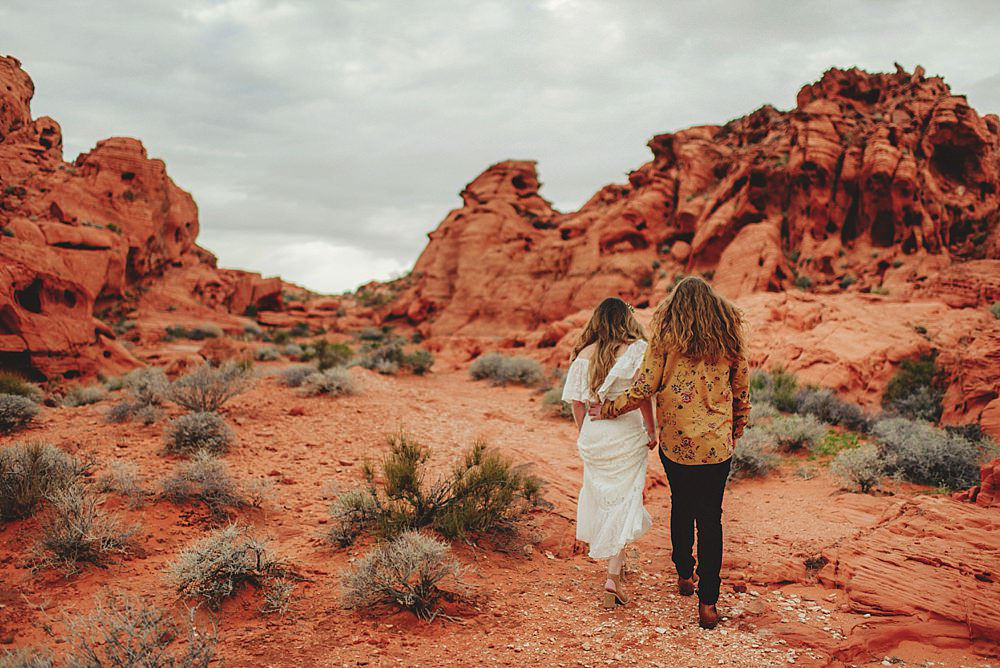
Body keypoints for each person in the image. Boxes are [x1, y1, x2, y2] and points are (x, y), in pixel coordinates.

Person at [588, 277, 750, 629]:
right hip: (716, 446)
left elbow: (644, 385)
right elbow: (742, 389)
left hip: (677, 445)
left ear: (674, 307)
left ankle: (684, 575)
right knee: (711, 518)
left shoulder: (665, 338)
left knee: (682, 505)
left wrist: (610, 408)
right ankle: (708, 603)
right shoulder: (729, 337)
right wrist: (735, 430)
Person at [561, 297, 657, 610]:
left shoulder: (583, 355)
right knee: (627, 497)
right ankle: (613, 576)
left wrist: (584, 433)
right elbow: (642, 395)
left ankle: (616, 565)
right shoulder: (637, 349)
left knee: (603, 496)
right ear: (625, 319)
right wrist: (651, 429)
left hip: (594, 433)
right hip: (626, 432)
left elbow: (577, 403)